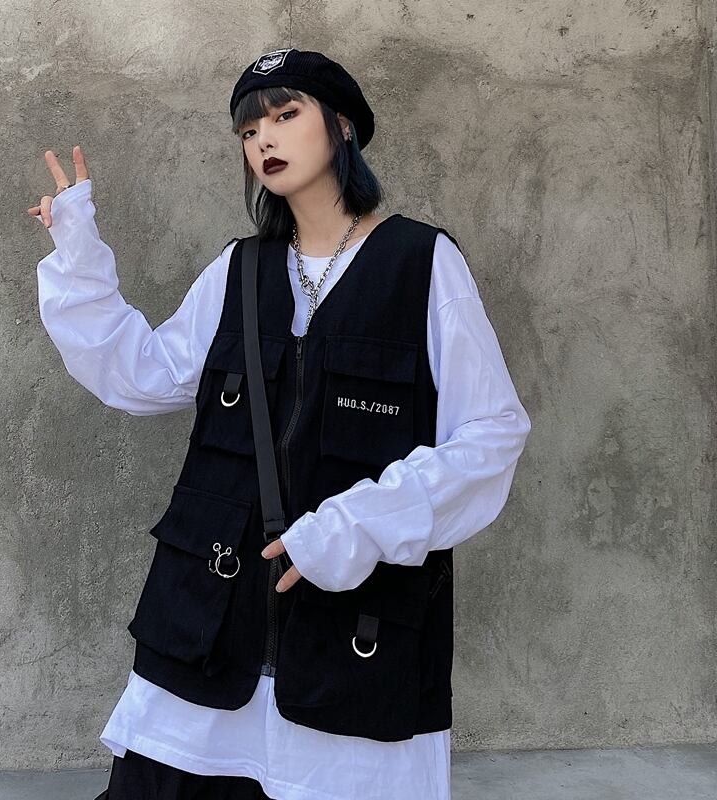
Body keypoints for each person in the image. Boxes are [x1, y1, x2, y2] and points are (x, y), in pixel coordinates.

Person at [28, 48, 531, 800]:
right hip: (206, 628)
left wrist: (355, 527)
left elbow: (491, 433)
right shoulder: (240, 270)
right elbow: (144, 374)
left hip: (354, 635)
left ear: (343, 127)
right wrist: (78, 251)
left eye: (286, 115)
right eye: (248, 129)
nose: (264, 139)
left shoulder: (422, 264)